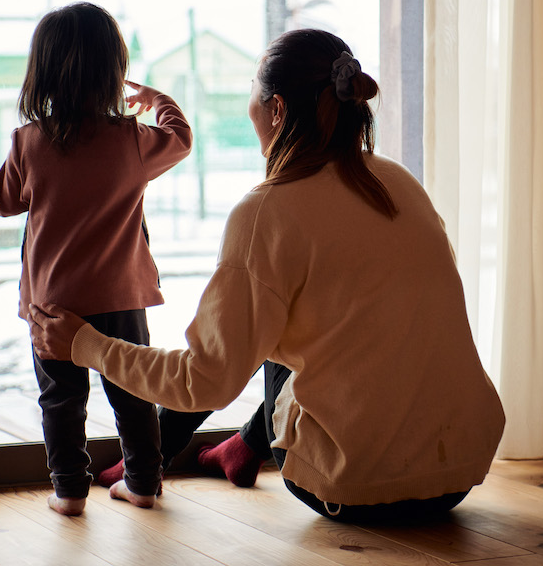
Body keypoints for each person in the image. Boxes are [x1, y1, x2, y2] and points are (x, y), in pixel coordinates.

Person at [29, 28, 504, 523]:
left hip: (351, 482)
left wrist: (85, 343)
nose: (247, 106)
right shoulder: (399, 181)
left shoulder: (265, 213)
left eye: (252, 91)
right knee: (281, 317)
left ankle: (173, 454)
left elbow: (203, 381)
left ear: (275, 109)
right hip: (457, 474)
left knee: (253, 327)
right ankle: (233, 448)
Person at [0, 1, 192, 516]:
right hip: (122, 296)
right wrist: (158, 99)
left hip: (54, 303)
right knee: (133, 391)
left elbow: (5, 200)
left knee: (61, 398)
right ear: (114, 73)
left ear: (44, 74)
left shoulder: (31, 142)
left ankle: (70, 491)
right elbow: (182, 138)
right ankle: (143, 482)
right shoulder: (132, 140)